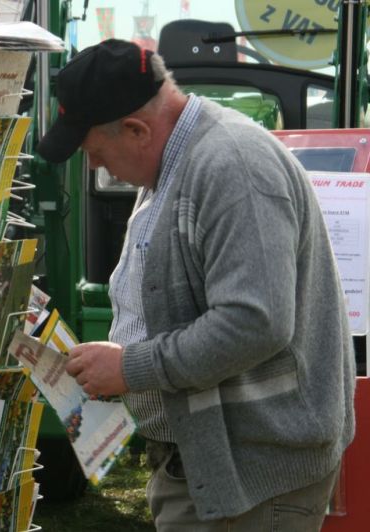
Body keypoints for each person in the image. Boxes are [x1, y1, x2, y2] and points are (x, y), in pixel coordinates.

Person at [36, 39, 355, 531]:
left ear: (137, 129)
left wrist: (132, 366)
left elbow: (255, 322)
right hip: (221, 463)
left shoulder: (231, 166)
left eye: (94, 152)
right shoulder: (178, 161)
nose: (94, 166)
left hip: (253, 474)